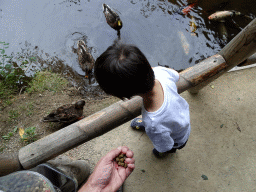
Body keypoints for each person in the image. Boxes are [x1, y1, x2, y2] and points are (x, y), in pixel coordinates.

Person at [94, 40, 191, 158]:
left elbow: (165, 144)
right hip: (181, 118)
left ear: (127, 95)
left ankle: (164, 154)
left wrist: (162, 149)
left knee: (164, 148)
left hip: (177, 139)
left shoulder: (153, 123)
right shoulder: (160, 73)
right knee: (163, 128)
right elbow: (176, 75)